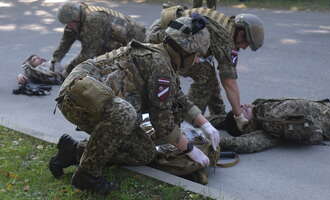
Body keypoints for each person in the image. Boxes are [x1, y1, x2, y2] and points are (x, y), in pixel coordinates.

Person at [49, 16, 220, 194]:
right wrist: (191, 150)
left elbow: (177, 97)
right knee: (125, 115)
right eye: (197, 55)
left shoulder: (162, 55)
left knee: (143, 152)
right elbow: (162, 124)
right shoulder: (161, 66)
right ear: (185, 52)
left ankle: (73, 151)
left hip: (85, 91)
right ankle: (87, 175)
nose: (197, 61)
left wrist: (205, 124)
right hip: (77, 97)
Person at [145, 7, 264, 126]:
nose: (244, 48)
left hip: (166, 32)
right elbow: (229, 83)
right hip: (161, 38)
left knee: (208, 71)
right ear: (241, 34)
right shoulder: (226, 40)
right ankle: (186, 122)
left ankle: (218, 115)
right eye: (246, 43)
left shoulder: (228, 26)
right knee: (205, 76)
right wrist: (239, 116)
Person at [210, 98, 330, 153]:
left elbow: (222, 120)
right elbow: (242, 144)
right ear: (244, 125)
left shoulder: (259, 108)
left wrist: (201, 120)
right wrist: (210, 140)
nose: (243, 105)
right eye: (241, 111)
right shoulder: (268, 129)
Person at [51, 2, 146, 76]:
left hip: (135, 40)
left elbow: (88, 53)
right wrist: (56, 60)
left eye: (70, 24)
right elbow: (66, 40)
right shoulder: (76, 19)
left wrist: (68, 69)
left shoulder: (93, 20)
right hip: (112, 37)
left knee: (107, 61)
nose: (68, 27)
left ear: (76, 18)